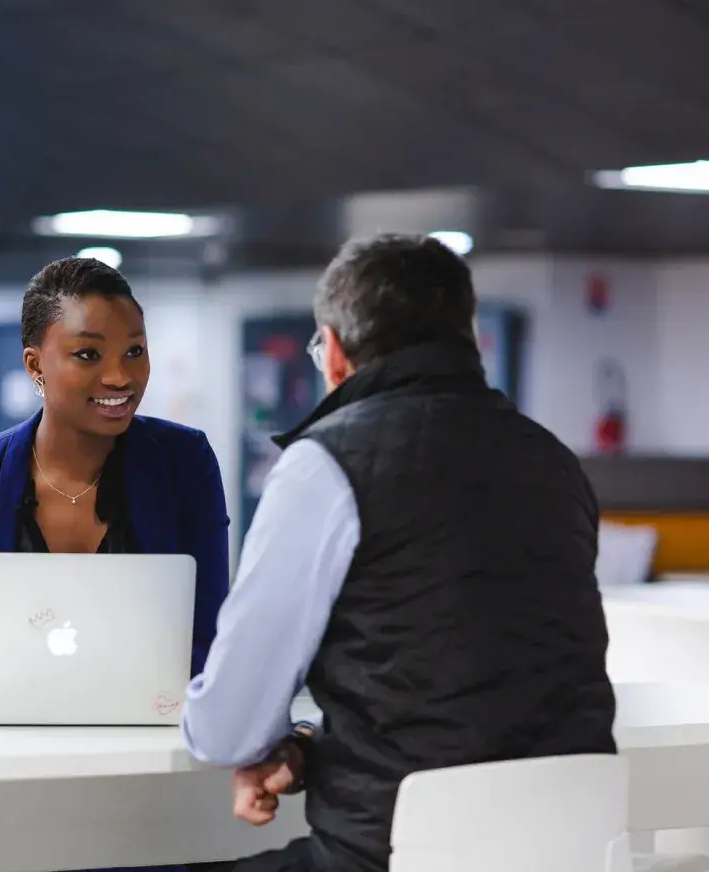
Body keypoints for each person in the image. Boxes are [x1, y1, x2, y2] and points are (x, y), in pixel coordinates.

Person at [181, 235, 616, 872]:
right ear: (467, 339)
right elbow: (470, 677)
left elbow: (227, 727)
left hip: (392, 855)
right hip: (570, 850)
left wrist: (276, 745)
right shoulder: (554, 461)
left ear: (332, 352)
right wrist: (307, 742)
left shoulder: (325, 466)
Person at [0, 256, 231, 712]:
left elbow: (209, 643)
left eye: (134, 351)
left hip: (142, 751)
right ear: (35, 366)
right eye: (88, 354)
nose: (120, 377)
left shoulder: (184, 464)